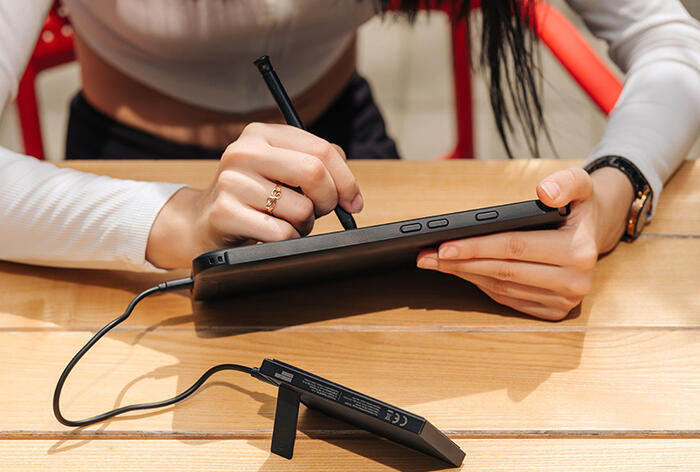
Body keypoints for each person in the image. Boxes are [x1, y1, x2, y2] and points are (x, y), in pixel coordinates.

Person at [0, 0, 698, 320]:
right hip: (134, 178)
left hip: (347, 157)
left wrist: (613, 196)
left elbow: (671, 42)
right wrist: (182, 218)